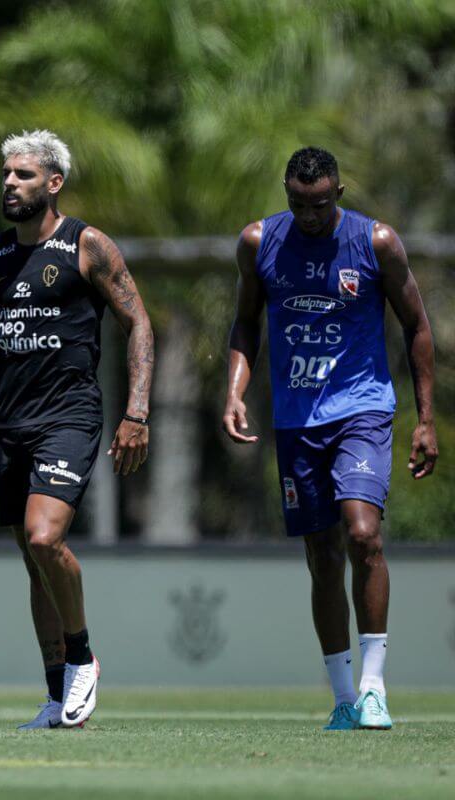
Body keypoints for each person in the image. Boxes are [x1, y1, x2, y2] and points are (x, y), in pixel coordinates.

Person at [0, 130, 154, 729]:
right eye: (6, 174)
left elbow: (138, 324)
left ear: (54, 183)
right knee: (32, 561)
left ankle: (83, 657)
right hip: (10, 421)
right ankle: (56, 692)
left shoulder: (87, 245)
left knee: (44, 538)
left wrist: (136, 412)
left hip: (70, 416)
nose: (9, 183)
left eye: (24, 175)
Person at [224, 146, 437, 731]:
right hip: (297, 419)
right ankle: (342, 699)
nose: (309, 216)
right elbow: (246, 322)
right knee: (322, 556)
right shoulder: (259, 242)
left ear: (338, 194)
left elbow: (417, 325)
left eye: (319, 205)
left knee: (363, 532)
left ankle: (374, 689)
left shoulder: (376, 243)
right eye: (298, 204)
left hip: (362, 409)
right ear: (286, 195)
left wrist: (425, 418)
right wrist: (234, 390)